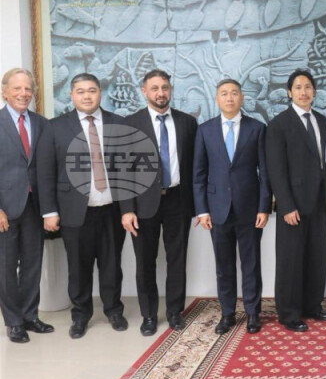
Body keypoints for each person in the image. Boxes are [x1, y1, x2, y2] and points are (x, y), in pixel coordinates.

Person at [38, 73, 127, 339]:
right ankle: (80, 315)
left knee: (112, 265)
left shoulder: (118, 123)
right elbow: (46, 173)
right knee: (78, 267)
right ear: (71, 95)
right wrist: (49, 211)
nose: (87, 96)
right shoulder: (55, 127)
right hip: (74, 211)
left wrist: (129, 208)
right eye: (80, 91)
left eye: (91, 90)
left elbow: (128, 170)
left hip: (112, 209)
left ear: (100, 92)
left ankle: (114, 310)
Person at [120, 70, 197, 336]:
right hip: (143, 203)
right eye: (154, 88)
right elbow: (123, 171)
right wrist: (127, 209)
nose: (160, 93)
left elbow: (194, 167)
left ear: (170, 89)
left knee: (177, 259)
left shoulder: (188, 123)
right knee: (145, 261)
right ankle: (149, 315)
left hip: (178, 200)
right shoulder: (131, 124)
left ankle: (175, 312)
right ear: (144, 91)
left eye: (164, 87)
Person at [193, 79, 271, 335]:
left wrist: (263, 207)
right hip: (217, 210)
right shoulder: (205, 130)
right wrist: (202, 210)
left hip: (250, 210)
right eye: (224, 94)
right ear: (217, 99)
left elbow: (265, 173)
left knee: (251, 264)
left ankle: (252, 313)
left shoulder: (257, 128)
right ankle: (227, 313)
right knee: (223, 266)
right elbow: (199, 174)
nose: (229, 98)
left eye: (234, 93)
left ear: (241, 98)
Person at [266, 69, 326, 332]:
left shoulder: (324, 122)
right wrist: (285, 205)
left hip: (320, 201)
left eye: (307, 87)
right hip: (293, 204)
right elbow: (276, 169)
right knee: (290, 259)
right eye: (298, 87)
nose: (303, 92)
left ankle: (312, 305)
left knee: (316, 256)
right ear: (289, 92)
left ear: (313, 91)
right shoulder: (279, 124)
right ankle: (289, 313)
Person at [0, 68, 55, 343]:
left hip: (35, 206)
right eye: (17, 88)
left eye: (28, 89)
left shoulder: (42, 124)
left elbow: (47, 167)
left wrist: (50, 209)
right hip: (5, 208)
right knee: (6, 267)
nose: (24, 94)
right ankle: (13, 322)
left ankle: (30, 316)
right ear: (4, 92)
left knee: (33, 264)